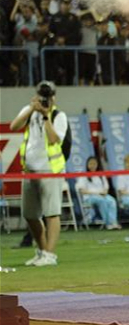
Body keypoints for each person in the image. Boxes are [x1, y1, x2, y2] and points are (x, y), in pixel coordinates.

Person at [10, 81, 68, 266]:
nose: (45, 100)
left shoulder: (59, 116)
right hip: (30, 170)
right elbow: (14, 127)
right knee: (29, 214)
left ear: (54, 98)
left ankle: (50, 255)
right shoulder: (29, 111)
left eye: (48, 96)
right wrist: (31, 109)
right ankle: (42, 251)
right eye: (42, 96)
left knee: (52, 213)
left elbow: (53, 139)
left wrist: (45, 116)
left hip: (50, 170)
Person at [77, 156, 121, 230]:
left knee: (111, 200)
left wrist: (104, 193)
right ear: (87, 165)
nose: (92, 166)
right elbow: (82, 190)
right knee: (102, 201)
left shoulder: (101, 175)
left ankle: (113, 222)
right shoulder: (84, 175)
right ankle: (108, 223)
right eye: (91, 164)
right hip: (89, 197)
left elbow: (106, 188)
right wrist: (95, 192)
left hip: (102, 195)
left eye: (94, 164)